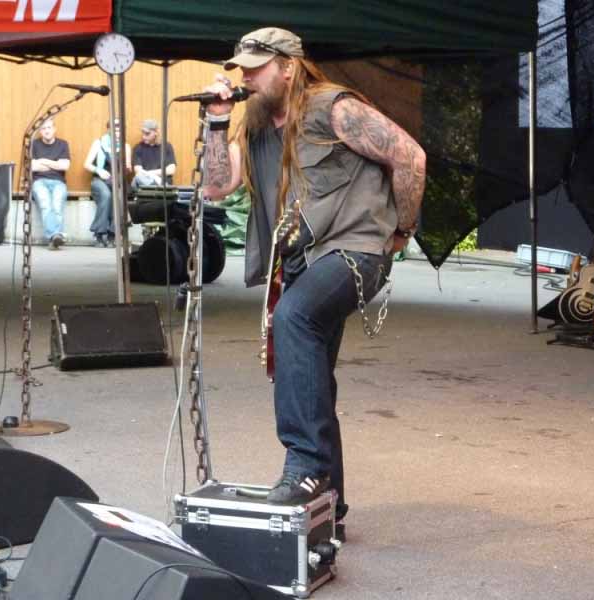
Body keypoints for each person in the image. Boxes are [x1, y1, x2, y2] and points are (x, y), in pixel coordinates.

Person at [202, 28, 426, 525]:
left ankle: (306, 466)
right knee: (311, 372)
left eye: (255, 68)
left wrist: (402, 230)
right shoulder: (254, 122)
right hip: (302, 260)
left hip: (353, 249)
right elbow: (216, 186)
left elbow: (410, 157)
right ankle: (329, 502)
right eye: (241, 69)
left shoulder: (334, 108)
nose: (245, 77)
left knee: (294, 318)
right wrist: (216, 120)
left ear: (288, 67)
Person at [83, 119, 131, 247]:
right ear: (109, 130)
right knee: (106, 195)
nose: (117, 133)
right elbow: (86, 164)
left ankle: (113, 233)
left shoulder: (125, 147)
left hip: (117, 180)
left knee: (119, 197)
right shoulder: (98, 143)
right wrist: (99, 171)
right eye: (115, 130)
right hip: (99, 179)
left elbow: (127, 168)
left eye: (119, 130)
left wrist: (126, 169)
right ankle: (99, 233)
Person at [31, 118, 70, 250]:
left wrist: (43, 161)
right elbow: (32, 167)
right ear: (40, 132)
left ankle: (53, 238)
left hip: (58, 181)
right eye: (43, 129)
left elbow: (65, 166)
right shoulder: (34, 145)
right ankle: (55, 236)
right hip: (39, 181)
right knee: (45, 204)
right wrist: (55, 164)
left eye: (49, 128)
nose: (46, 131)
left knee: (57, 205)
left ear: (54, 129)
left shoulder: (63, 144)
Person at [131, 119, 176, 189]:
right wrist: (154, 176)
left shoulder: (166, 146)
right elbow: (138, 171)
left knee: (137, 178)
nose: (143, 136)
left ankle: (157, 186)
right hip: (145, 183)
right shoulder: (138, 148)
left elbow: (171, 170)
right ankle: (155, 186)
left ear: (156, 133)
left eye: (147, 134)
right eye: (143, 133)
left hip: (163, 183)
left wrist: (150, 174)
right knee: (137, 178)